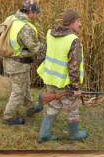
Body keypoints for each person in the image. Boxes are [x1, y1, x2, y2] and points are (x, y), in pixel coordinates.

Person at [36, 9, 88, 142]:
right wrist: (76, 88)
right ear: (71, 22)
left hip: (50, 79)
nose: (80, 24)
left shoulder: (50, 33)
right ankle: (74, 134)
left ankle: (44, 134)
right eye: (78, 21)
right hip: (64, 83)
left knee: (53, 105)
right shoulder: (73, 40)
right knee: (73, 108)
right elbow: (74, 67)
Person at [2, 0, 45, 125]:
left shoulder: (11, 18)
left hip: (11, 60)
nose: (37, 15)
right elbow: (34, 47)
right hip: (17, 64)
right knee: (18, 91)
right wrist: (45, 45)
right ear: (30, 11)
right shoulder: (24, 27)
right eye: (36, 13)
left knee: (25, 84)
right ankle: (9, 116)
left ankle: (30, 106)